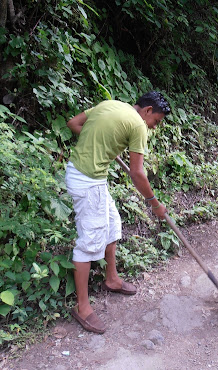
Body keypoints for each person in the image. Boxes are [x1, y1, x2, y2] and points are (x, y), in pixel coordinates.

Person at [65, 91, 171, 333]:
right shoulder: (138, 126)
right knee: (88, 243)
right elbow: (137, 173)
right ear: (147, 111)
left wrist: (99, 145)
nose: (154, 127)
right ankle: (82, 308)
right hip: (87, 182)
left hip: (90, 178)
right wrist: (154, 203)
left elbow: (74, 123)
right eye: (156, 121)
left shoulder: (111, 104)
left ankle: (111, 279)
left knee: (112, 224)